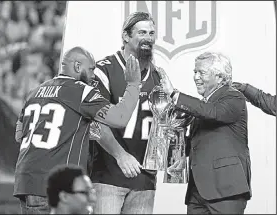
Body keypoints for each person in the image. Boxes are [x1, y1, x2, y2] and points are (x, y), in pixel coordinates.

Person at [13, 46, 142, 214]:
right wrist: (133, 85)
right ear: (76, 67)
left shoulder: (34, 92)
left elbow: (19, 136)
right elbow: (120, 117)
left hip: (24, 181)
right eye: (91, 69)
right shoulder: (81, 91)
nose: (93, 75)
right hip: (54, 184)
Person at [160, 52, 251, 214]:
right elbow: (201, 137)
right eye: (194, 72)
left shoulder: (234, 97)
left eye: (201, 72)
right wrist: (181, 153)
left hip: (226, 190)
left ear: (220, 77)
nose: (195, 77)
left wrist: (174, 94)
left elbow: (213, 113)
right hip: (198, 191)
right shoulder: (204, 104)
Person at [89, 12, 162, 214]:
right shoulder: (104, 70)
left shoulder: (159, 76)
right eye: (142, 32)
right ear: (126, 36)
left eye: (151, 33)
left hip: (145, 180)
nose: (148, 37)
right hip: (108, 176)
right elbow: (94, 123)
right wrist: (120, 155)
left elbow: (163, 124)